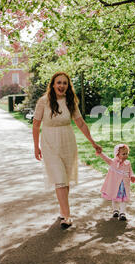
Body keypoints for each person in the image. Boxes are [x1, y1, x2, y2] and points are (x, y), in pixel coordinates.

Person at [33, 71, 102, 229]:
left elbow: (81, 123)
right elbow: (36, 125)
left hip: (67, 142)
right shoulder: (43, 101)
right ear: (53, 85)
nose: (61, 86)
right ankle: (67, 216)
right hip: (50, 143)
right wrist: (36, 147)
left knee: (65, 178)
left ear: (68, 86)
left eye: (64, 83)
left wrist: (93, 142)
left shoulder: (71, 102)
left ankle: (62, 211)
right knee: (60, 178)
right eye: (59, 82)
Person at [96, 144, 135, 221]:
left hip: (124, 185)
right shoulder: (113, 162)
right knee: (115, 198)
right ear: (117, 154)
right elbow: (106, 158)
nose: (125, 155)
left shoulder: (128, 163)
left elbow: (130, 171)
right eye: (123, 154)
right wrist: (100, 153)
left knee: (124, 199)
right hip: (115, 185)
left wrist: (132, 176)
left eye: (127, 153)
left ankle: (122, 213)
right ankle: (115, 210)